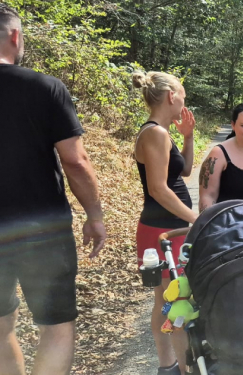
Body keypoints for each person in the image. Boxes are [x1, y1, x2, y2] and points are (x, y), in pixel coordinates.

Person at [0, 4, 108, 374]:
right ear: (16, 37)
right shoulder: (45, 88)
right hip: (41, 229)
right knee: (56, 327)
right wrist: (95, 215)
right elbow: (75, 162)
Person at [131, 70, 198, 375]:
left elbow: (183, 173)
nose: (185, 102)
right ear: (172, 96)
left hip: (171, 226)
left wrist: (188, 136)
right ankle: (175, 366)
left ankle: (172, 364)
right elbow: (158, 188)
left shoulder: (161, 131)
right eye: (183, 95)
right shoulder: (154, 133)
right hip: (163, 230)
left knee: (172, 296)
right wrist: (195, 218)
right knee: (174, 298)